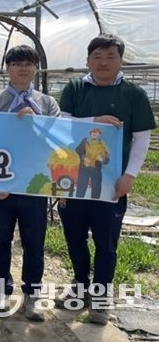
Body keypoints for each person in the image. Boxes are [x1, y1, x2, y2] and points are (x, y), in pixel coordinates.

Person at [58, 34, 156, 325]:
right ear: (87, 61)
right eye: (97, 57)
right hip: (74, 179)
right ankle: (79, 285)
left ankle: (101, 297)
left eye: (110, 56)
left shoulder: (133, 94)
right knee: (74, 235)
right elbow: (61, 125)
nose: (103, 63)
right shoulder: (75, 89)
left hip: (111, 182)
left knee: (106, 240)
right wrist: (94, 122)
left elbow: (141, 138)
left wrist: (130, 175)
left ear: (121, 60)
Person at [0, 45, 60, 321]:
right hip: (1, 184)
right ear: (7, 69)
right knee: (0, 238)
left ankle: (33, 294)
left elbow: (57, 141)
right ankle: (2, 290)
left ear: (36, 68)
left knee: (34, 241)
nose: (22, 68)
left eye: (28, 63)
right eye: (16, 63)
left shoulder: (48, 104)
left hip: (35, 183)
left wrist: (37, 123)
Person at [75, 128, 110, 199]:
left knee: (96, 189)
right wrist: (83, 157)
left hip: (96, 168)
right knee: (81, 187)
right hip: (84, 168)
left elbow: (107, 159)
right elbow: (78, 150)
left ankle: (95, 202)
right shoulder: (85, 141)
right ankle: (78, 201)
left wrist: (102, 160)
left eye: (96, 132)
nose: (94, 133)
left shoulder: (102, 144)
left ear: (99, 134)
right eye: (93, 132)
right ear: (90, 133)